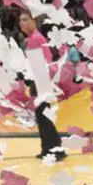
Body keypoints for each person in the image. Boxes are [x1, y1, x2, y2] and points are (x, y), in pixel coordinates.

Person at [18, 12, 63, 160]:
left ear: (34, 21)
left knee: (43, 116)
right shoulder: (34, 38)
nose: (21, 23)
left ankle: (53, 150)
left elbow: (45, 60)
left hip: (40, 79)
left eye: (25, 19)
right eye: (20, 20)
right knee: (43, 116)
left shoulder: (36, 38)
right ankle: (50, 148)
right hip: (39, 79)